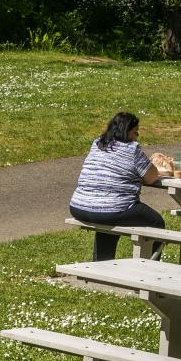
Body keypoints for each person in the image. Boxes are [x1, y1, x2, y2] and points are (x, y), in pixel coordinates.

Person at [69, 112, 165, 261]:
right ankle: (150, 266)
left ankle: (100, 265)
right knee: (156, 222)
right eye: (135, 131)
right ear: (126, 132)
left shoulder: (97, 143)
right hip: (110, 209)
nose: (137, 135)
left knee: (107, 218)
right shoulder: (132, 149)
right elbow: (152, 177)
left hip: (79, 207)